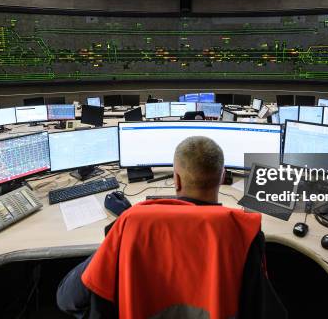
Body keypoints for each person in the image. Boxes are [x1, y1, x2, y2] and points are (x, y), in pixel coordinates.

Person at [57, 136, 286, 318]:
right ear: (222, 176)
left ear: (176, 180)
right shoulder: (241, 231)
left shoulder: (132, 223)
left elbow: (67, 300)